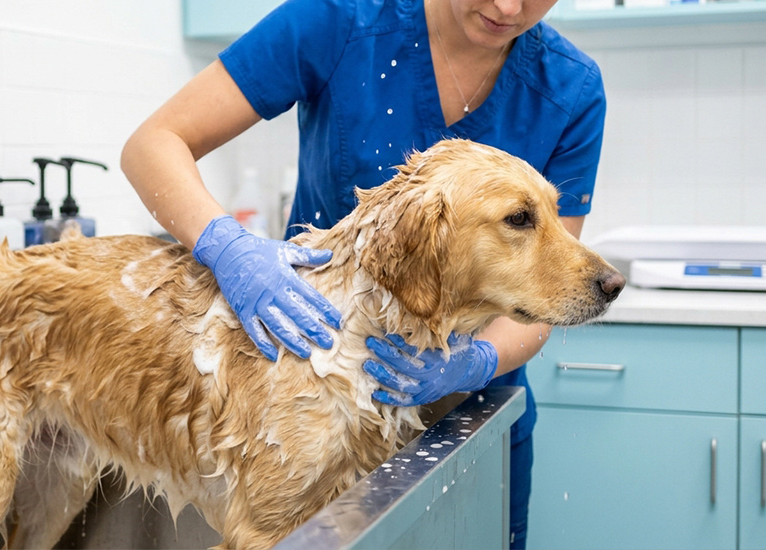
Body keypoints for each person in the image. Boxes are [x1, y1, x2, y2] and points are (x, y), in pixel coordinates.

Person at [120, 0, 605, 547]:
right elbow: (153, 144)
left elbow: (552, 289)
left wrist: (480, 359)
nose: (507, 6)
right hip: (311, 392)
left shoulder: (569, 87)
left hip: (464, 411)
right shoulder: (338, 20)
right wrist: (226, 246)